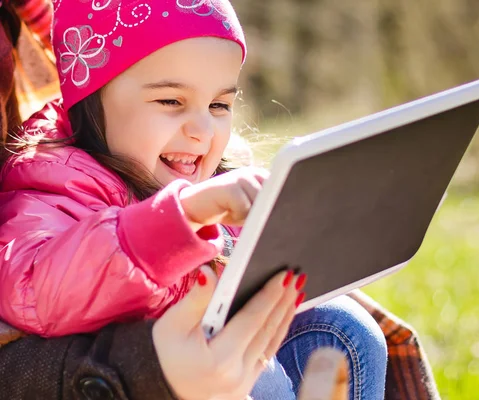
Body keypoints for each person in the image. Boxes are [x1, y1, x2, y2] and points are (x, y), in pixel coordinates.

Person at [0, 1, 389, 399]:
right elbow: (33, 288)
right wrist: (183, 216)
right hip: (140, 375)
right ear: (89, 99)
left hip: (205, 353)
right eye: (171, 101)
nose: (203, 130)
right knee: (260, 377)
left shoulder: (212, 173)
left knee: (343, 328)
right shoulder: (53, 179)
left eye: (219, 105)